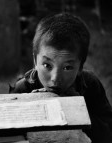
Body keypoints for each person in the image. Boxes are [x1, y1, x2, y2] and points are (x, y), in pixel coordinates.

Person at [10, 13, 112, 143]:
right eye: (47, 65)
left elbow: (108, 133)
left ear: (80, 67)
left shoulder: (90, 84)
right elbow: (10, 134)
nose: (55, 78)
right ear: (35, 61)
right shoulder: (23, 89)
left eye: (67, 67)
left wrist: (76, 109)